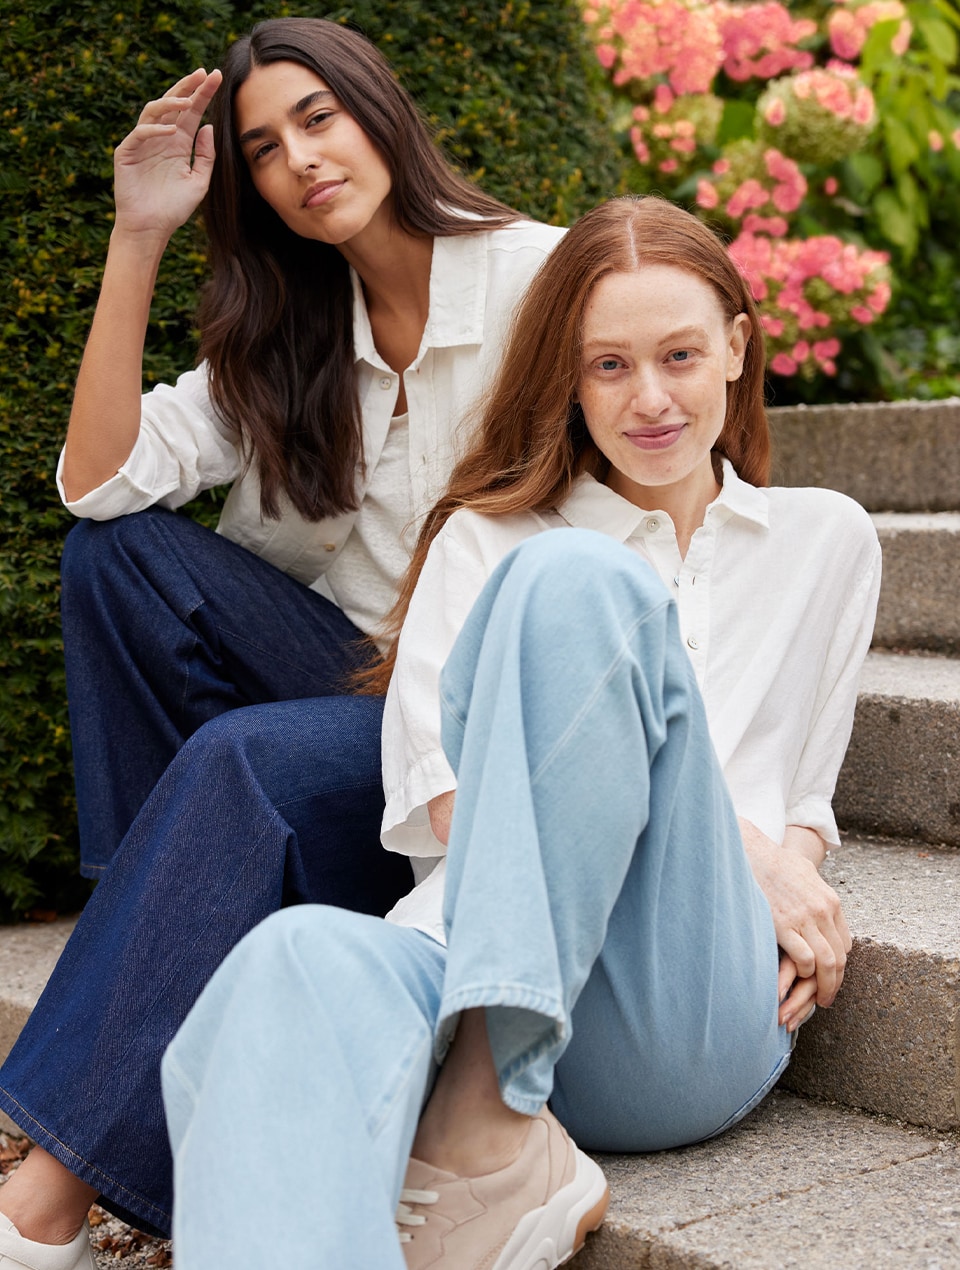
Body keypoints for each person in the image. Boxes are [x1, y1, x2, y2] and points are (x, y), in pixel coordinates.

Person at [158, 195, 882, 1269]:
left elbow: (800, 790)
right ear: (565, 377)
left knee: (575, 586)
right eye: (607, 366)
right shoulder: (486, 539)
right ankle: (475, 1119)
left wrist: (780, 875)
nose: (650, 399)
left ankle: (492, 1125)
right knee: (291, 956)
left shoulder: (826, 541)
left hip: (677, 1007)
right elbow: (440, 805)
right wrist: (758, 852)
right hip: (471, 958)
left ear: (736, 346)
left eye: (680, 355)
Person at [0, 16, 565, 1268]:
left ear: (380, 110)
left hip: (483, 724)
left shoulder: (543, 278)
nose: (300, 159)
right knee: (115, 557)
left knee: (244, 756)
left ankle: (42, 1199)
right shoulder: (284, 327)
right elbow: (97, 487)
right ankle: (185, 948)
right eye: (263, 148)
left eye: (320, 117)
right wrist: (137, 232)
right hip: (342, 688)